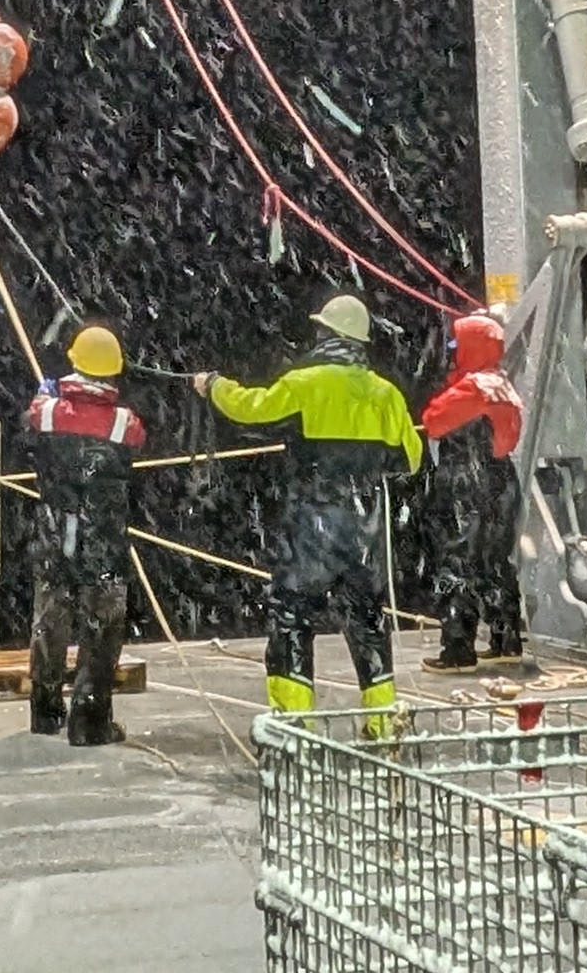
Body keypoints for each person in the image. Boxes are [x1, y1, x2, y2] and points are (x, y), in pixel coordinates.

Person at [198, 293, 423, 726]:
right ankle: (382, 726)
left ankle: (294, 724)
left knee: (292, 614)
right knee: (368, 621)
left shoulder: (307, 383)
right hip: (365, 525)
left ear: (329, 334)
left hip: (312, 522)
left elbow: (252, 411)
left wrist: (214, 386)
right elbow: (409, 461)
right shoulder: (387, 394)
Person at [21, 324, 146, 747]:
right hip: (103, 542)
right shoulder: (124, 423)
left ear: (73, 362)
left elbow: (31, 427)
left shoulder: (48, 411)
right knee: (102, 626)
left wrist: (46, 395)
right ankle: (89, 722)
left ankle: (45, 711)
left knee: (49, 622)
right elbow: (136, 441)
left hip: (56, 535)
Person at [417, 308, 527, 670]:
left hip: (466, 482)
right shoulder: (504, 384)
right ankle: (506, 639)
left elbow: (433, 421)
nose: (452, 350)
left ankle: (457, 648)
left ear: (472, 346)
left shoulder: (471, 386)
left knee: (456, 562)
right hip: (502, 480)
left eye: (457, 343)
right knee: (496, 562)